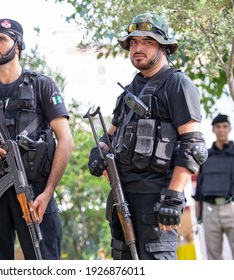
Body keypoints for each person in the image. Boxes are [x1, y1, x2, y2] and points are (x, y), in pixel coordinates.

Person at [0, 18, 74, 260]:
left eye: (1, 39)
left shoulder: (42, 85)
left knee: (44, 263)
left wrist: (47, 193)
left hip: (34, 191)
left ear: (17, 45)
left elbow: (66, 141)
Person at [88, 13, 207, 260]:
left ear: (163, 47)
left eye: (147, 42)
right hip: (122, 197)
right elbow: (110, 134)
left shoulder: (177, 84)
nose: (138, 48)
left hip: (156, 200)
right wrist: (97, 150)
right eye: (133, 42)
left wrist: (173, 198)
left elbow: (194, 146)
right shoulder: (131, 89)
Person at [194, 113, 234, 259]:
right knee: (213, 256)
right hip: (210, 209)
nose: (221, 130)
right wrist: (198, 210)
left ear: (229, 129)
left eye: (225, 126)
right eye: (218, 127)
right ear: (213, 129)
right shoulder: (205, 156)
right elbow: (201, 184)